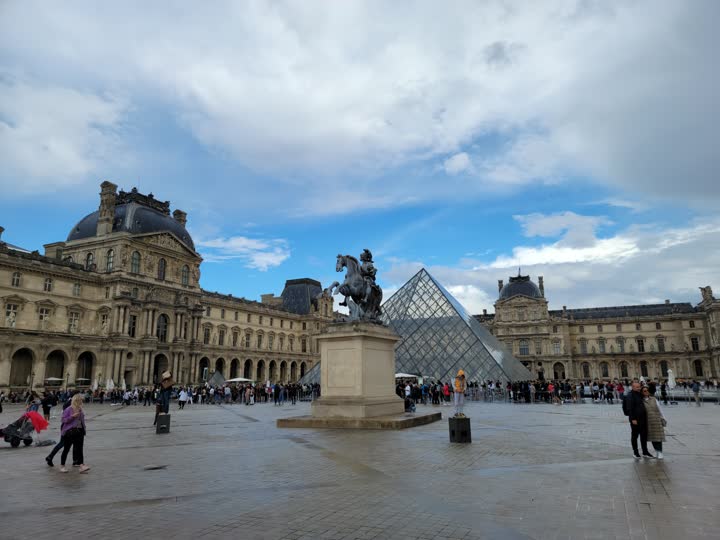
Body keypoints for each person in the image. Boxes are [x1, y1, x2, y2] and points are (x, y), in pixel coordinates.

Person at [59, 394, 90, 473]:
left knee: (79, 449)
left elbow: (82, 421)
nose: (82, 402)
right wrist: (72, 416)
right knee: (66, 449)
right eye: (80, 400)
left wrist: (84, 429)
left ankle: (82, 466)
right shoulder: (69, 409)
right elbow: (63, 420)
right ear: (76, 400)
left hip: (79, 431)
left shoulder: (80, 409)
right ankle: (62, 466)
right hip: (70, 432)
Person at [626, 381, 653, 459]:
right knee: (635, 436)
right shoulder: (630, 395)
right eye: (637, 387)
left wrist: (648, 386)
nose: (639, 388)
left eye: (639, 387)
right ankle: (635, 452)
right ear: (633, 387)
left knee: (643, 436)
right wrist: (633, 419)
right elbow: (629, 408)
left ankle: (645, 451)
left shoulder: (640, 394)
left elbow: (649, 392)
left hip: (643, 419)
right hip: (635, 420)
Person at [643, 386, 666, 459]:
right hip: (648, 421)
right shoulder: (641, 400)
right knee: (653, 437)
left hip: (656, 420)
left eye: (647, 391)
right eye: (644, 391)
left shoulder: (654, 399)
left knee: (658, 437)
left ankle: (660, 452)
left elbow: (660, 409)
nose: (646, 392)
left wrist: (663, 418)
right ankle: (657, 450)